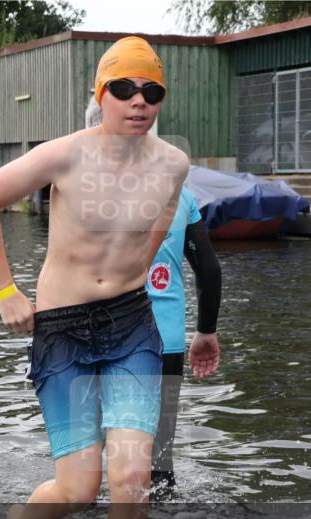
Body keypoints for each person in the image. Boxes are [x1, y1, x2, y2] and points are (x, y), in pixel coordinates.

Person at [0, 36, 189, 519]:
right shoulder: (65, 154)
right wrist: (6, 291)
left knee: (133, 479)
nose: (138, 100)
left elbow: (156, 234)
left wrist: (133, 278)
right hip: (63, 329)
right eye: (123, 88)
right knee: (79, 488)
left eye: (151, 90)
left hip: (132, 326)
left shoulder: (174, 165)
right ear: (102, 94)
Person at [84, 99, 222, 496]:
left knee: (103, 460)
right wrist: (206, 332)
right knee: (159, 463)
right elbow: (209, 271)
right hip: (167, 341)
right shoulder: (182, 195)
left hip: (107, 340)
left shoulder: (86, 192)